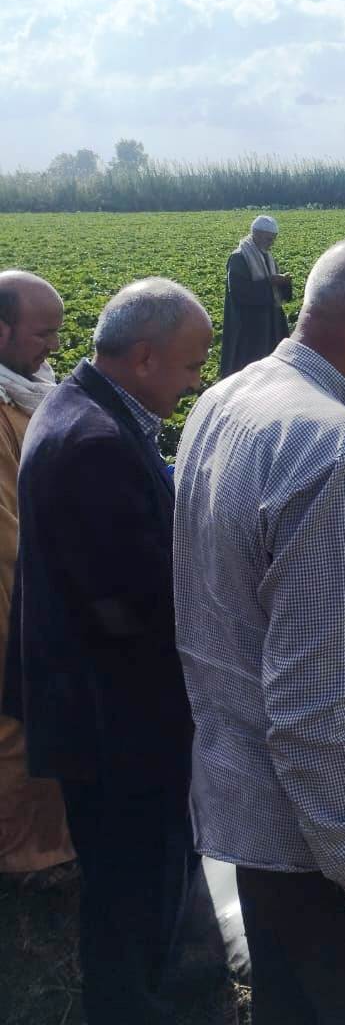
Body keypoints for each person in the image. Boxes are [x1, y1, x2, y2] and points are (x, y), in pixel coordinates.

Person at [173, 237, 345, 1025]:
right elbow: (314, 710)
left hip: (257, 820)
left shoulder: (227, 399)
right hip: (331, 851)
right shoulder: (334, 449)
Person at [2, 279, 214, 1024]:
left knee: (129, 880)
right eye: (191, 366)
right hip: (116, 721)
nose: (196, 384)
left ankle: (141, 992)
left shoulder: (79, 407)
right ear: (145, 356)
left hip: (97, 706)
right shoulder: (95, 443)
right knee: (131, 887)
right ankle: (131, 1008)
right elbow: (129, 608)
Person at [0, 272, 74, 880]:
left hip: (38, 580)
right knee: (15, 724)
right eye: (41, 333)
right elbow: (8, 535)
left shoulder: (31, 391)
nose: (52, 346)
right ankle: (24, 853)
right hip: (13, 591)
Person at [219, 214, 291, 378]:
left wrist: (284, 282)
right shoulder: (238, 257)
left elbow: (275, 290)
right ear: (256, 234)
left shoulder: (267, 256)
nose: (272, 243)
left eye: (274, 239)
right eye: (269, 238)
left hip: (269, 321)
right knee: (247, 368)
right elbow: (239, 292)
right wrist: (270, 282)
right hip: (248, 326)